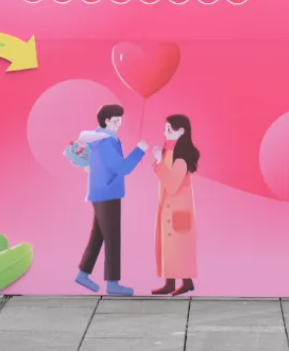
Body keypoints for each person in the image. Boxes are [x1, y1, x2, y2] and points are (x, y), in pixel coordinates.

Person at [75, 104, 147, 296]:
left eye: (120, 119)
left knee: (98, 236)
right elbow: (123, 168)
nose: (119, 123)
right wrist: (140, 150)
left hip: (102, 192)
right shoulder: (105, 141)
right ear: (106, 120)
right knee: (113, 238)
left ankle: (83, 273)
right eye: (116, 119)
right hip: (108, 194)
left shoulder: (101, 137)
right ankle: (113, 284)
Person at [151, 114, 200, 297]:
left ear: (181, 131)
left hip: (177, 210)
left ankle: (186, 283)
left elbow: (172, 185)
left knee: (179, 248)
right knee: (169, 248)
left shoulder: (182, 159)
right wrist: (160, 159)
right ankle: (170, 283)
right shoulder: (172, 154)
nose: (165, 132)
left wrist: (159, 162)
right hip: (168, 209)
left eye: (169, 129)